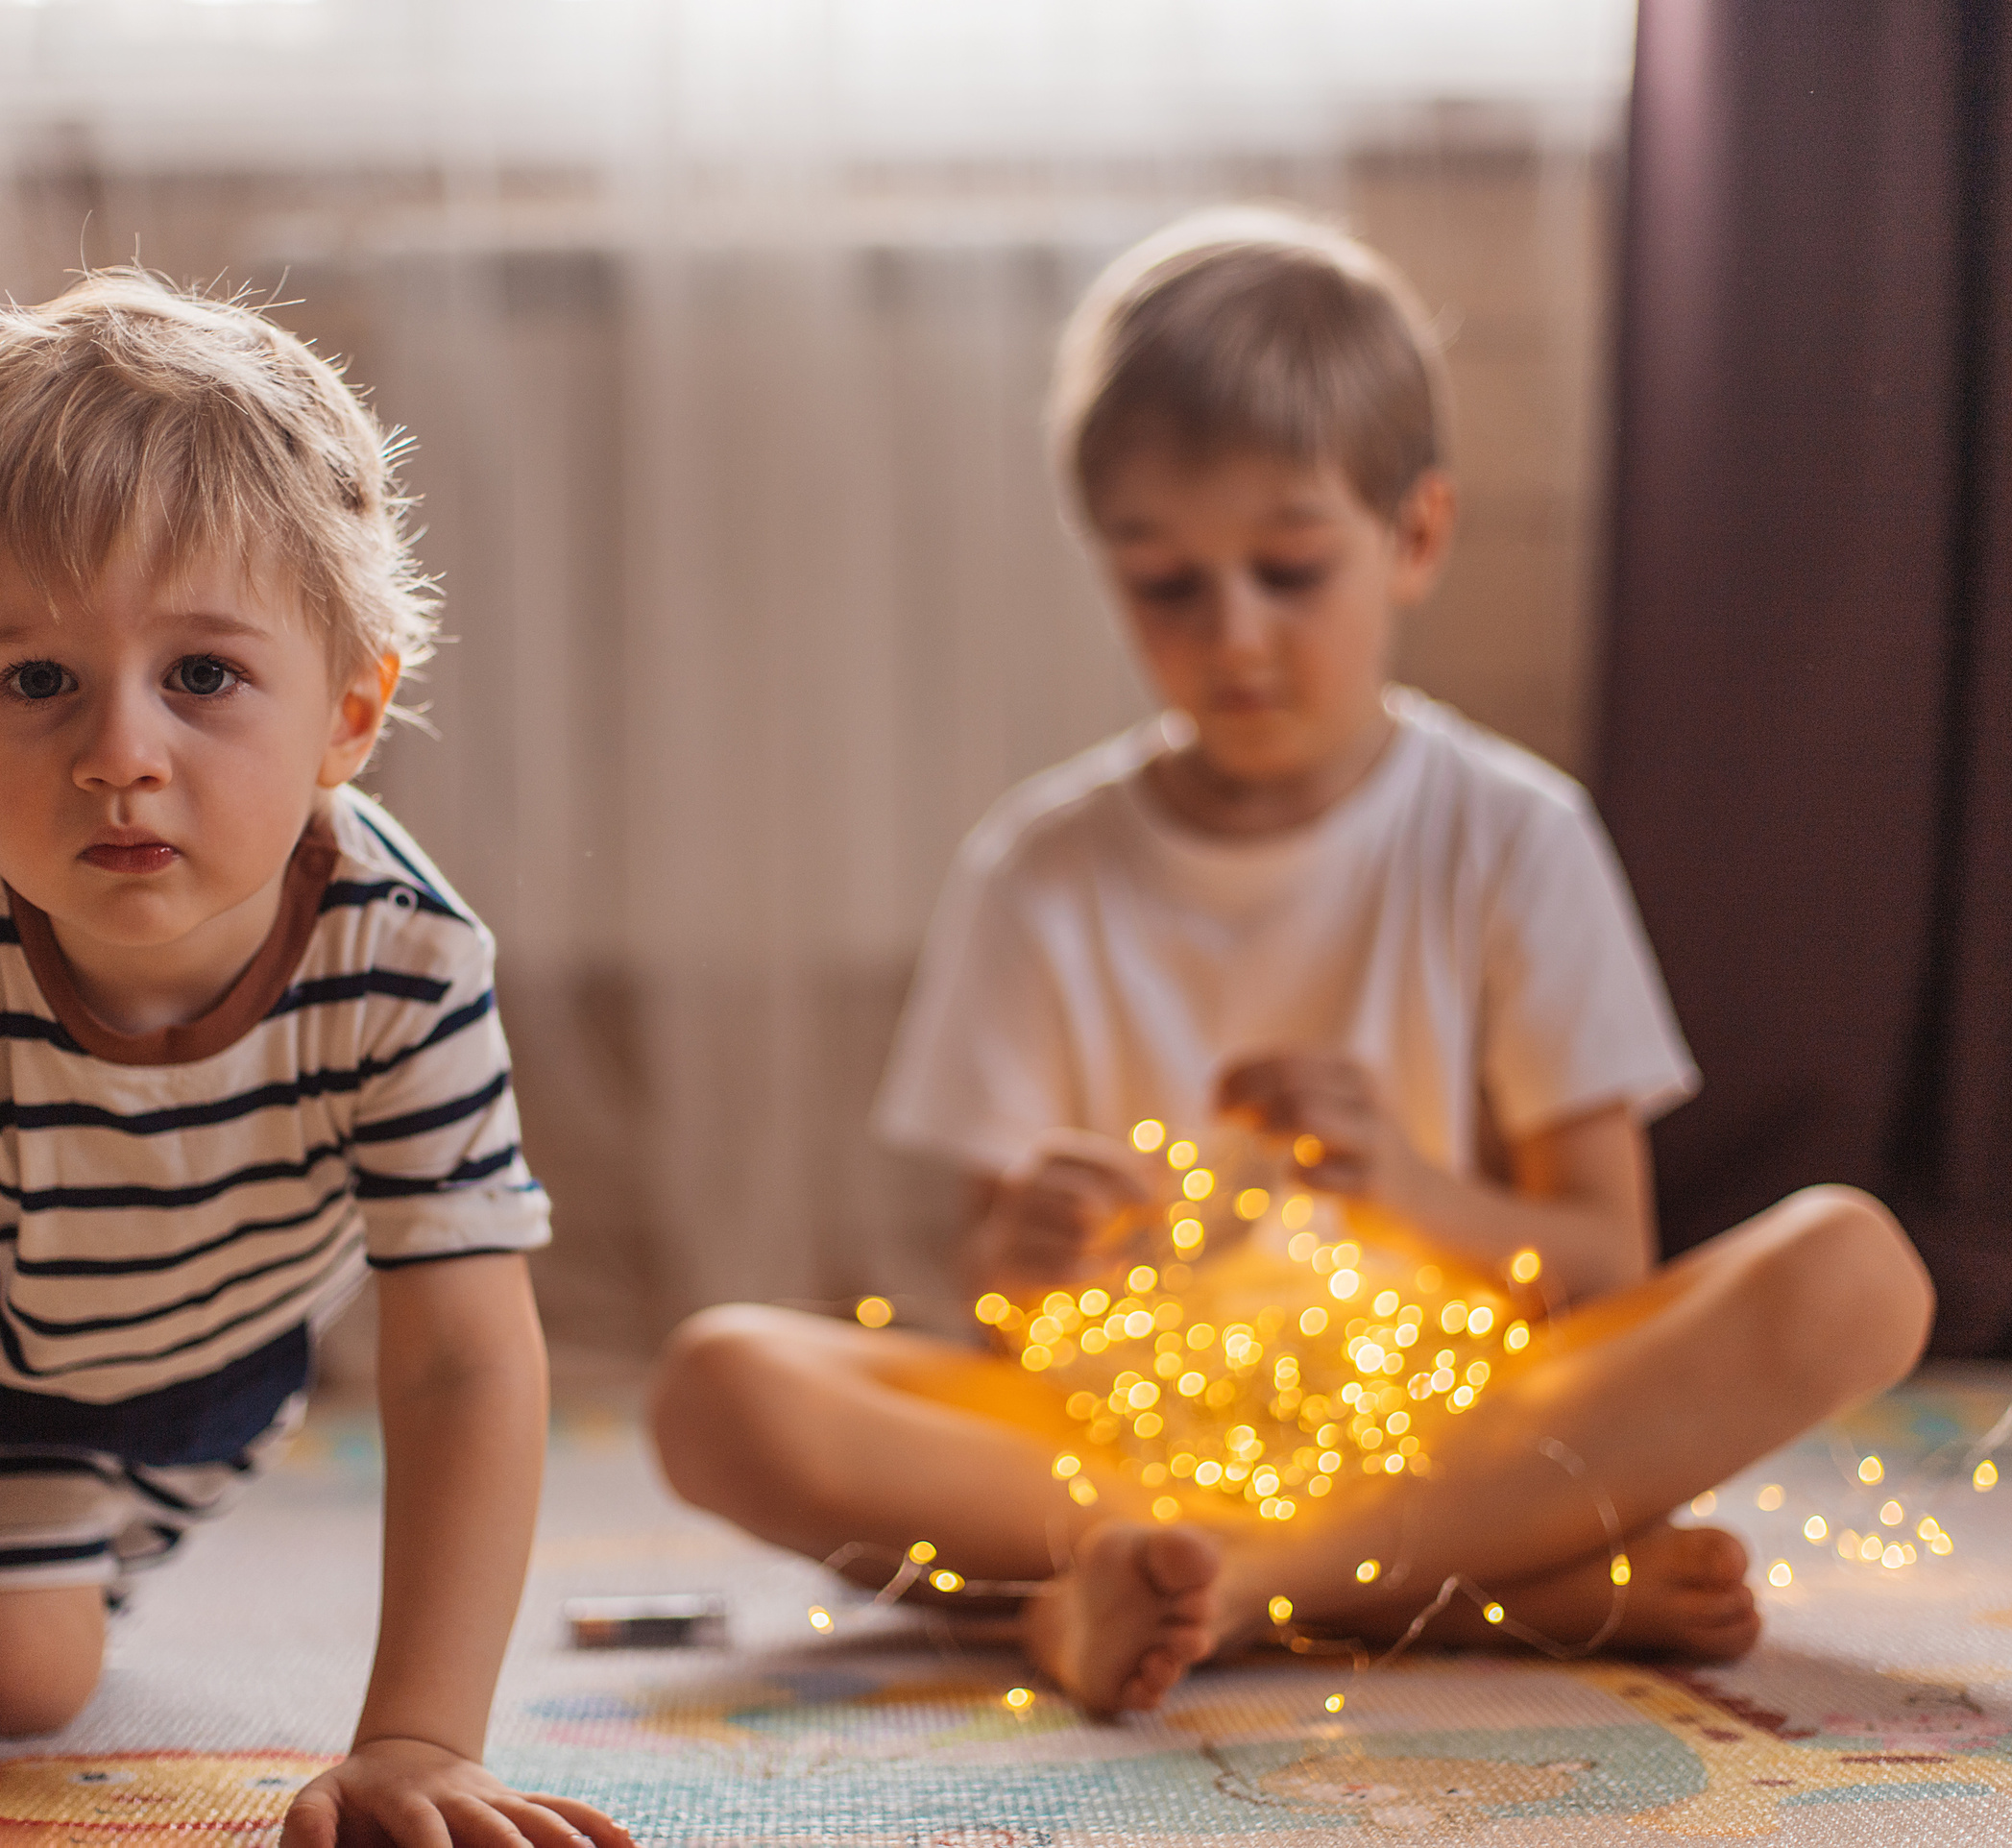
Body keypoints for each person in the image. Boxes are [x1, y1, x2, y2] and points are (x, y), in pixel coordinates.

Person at [648, 207, 1934, 1718]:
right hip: (1124, 1447)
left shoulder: (1511, 836)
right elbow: (994, 1299)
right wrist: (1030, 1257)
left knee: (1852, 1272)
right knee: (722, 1388)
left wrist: (1404, 1188)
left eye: (1289, 569)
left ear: (1417, 538)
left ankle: (1231, 1591)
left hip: (1462, 1427)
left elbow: (1602, 1265)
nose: (1233, 636)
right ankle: (1483, 1593)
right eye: (1167, 584)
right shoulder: (1039, 869)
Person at [0, 272, 630, 1848]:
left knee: (17, 1638)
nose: (119, 751)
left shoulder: (407, 960)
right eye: (36, 681)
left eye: (203, 676)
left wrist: (418, 1736)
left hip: (219, 1374)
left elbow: (466, 1355)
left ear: (348, 713)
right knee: (8, 1679)